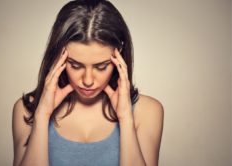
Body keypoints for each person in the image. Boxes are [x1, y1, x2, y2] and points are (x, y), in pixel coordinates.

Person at [12, 0, 164, 166]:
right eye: (75, 65)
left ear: (118, 56)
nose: (88, 81)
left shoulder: (148, 111)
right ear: (58, 57)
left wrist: (126, 118)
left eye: (101, 66)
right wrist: (42, 116)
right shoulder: (27, 110)